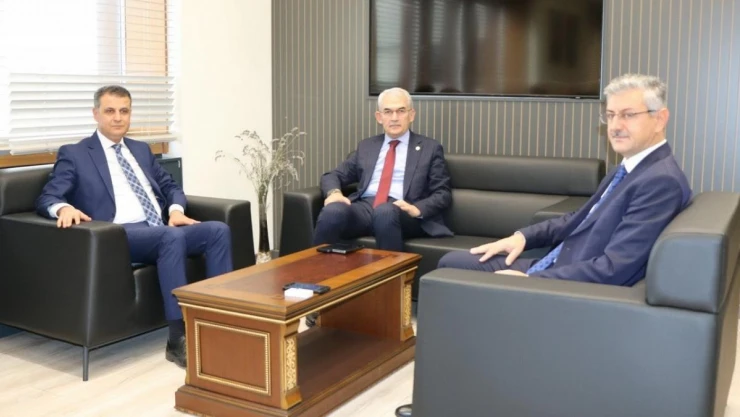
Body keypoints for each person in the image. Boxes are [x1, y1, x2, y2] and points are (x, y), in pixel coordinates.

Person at [394, 74, 693, 417]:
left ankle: (442, 400)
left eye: (628, 115)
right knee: (452, 264)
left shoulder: (659, 181)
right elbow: (576, 220)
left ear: (660, 118)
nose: (615, 125)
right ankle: (456, 386)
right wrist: (521, 237)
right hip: (557, 265)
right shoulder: (628, 168)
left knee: (451, 281)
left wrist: (532, 281)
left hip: (571, 287)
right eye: (610, 115)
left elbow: (615, 268)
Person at [35, 85, 233, 369]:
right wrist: (63, 208)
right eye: (110, 111)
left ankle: (221, 324)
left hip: (159, 228)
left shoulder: (141, 150)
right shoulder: (75, 153)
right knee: (170, 237)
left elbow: (170, 186)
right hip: (117, 236)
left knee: (217, 231)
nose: (118, 117)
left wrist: (176, 211)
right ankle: (177, 338)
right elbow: (48, 196)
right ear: (96, 114)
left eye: (124, 111)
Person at [312, 87, 453, 252]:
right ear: (379, 117)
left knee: (384, 212)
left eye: (401, 111)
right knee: (333, 210)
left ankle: (391, 270)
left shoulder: (430, 148)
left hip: (402, 210)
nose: (394, 118)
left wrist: (417, 209)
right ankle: (315, 268)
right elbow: (332, 175)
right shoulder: (367, 146)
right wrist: (334, 193)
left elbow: (442, 193)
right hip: (365, 208)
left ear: (411, 115)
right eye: (388, 112)